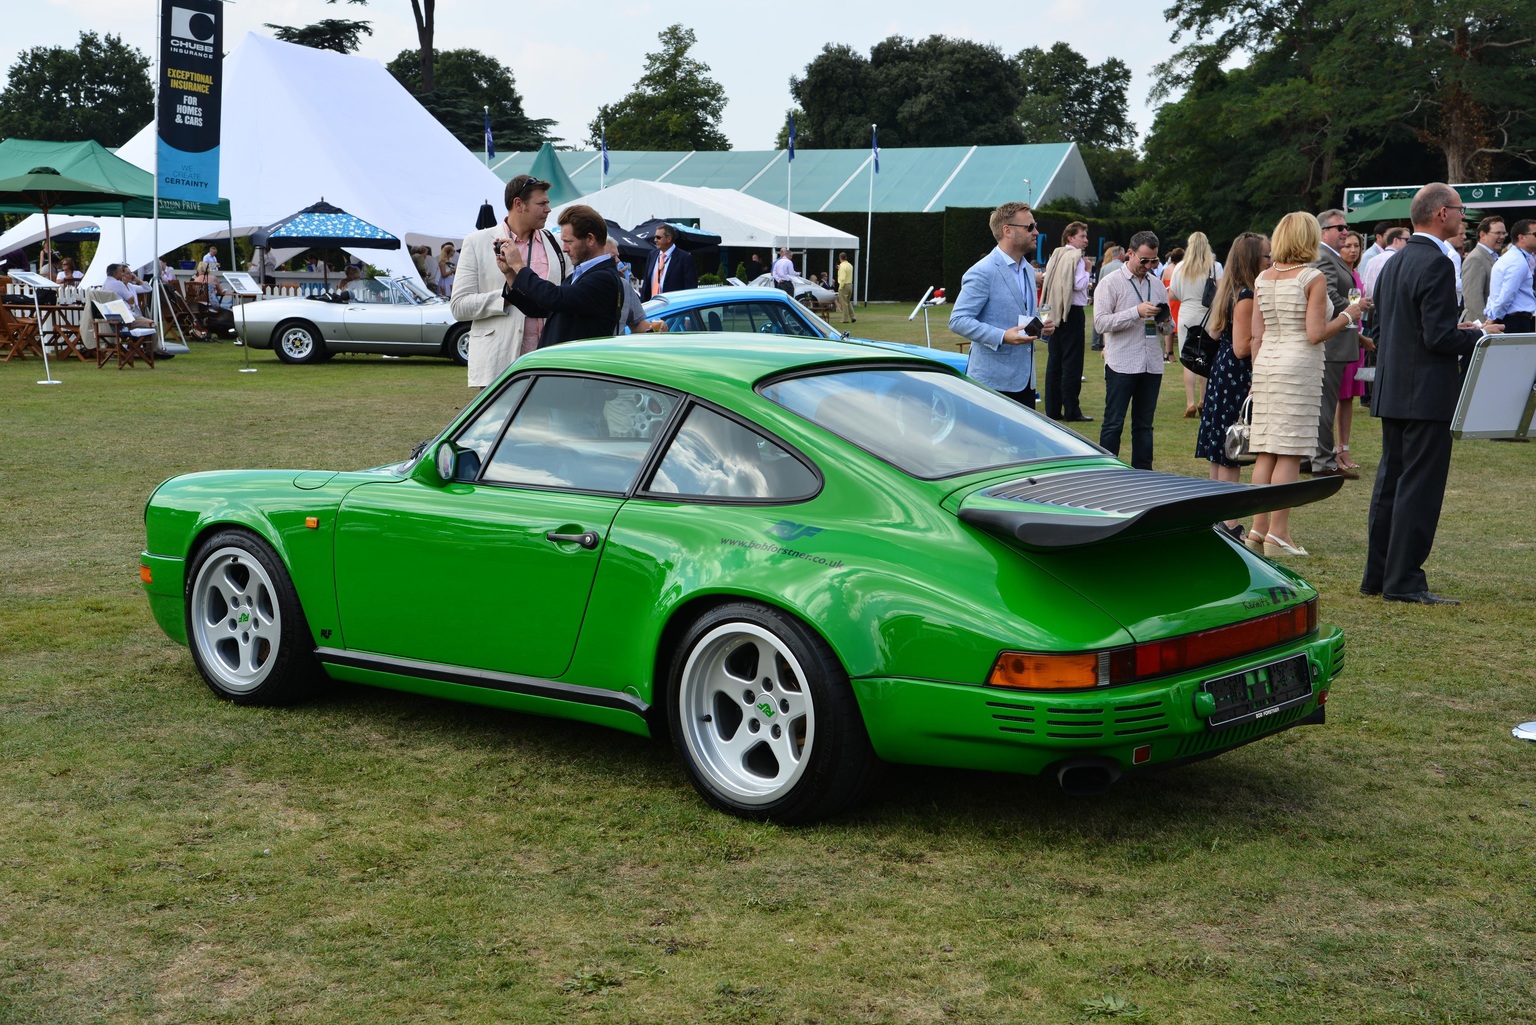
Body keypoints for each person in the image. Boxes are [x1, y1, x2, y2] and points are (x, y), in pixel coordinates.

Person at [1363, 183, 1502, 604]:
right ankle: (1404, 581)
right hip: (1425, 393)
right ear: (1442, 213)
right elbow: (1438, 337)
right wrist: (1479, 337)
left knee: (1391, 482)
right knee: (1419, 487)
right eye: (1460, 210)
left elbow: (1388, 330)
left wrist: (1460, 332)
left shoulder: (1394, 262)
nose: (1465, 217)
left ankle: (1379, 574)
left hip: (1394, 389)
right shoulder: (1437, 264)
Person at [1246, 212, 1362, 558]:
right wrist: (1348, 316)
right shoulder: (1311, 277)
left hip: (1266, 363)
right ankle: (1278, 534)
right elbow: (1315, 334)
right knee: (1290, 450)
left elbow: (1256, 334)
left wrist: (1257, 374)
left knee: (1266, 449)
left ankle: (1257, 529)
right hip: (1297, 366)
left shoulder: (1263, 277)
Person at [451, 173, 570, 388]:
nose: (548, 209)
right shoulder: (477, 242)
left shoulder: (557, 244)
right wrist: (508, 296)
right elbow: (459, 306)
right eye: (541, 203)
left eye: (548, 203)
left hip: (548, 359)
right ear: (519, 204)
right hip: (499, 362)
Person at [1196, 232, 1269, 538]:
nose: (1271, 260)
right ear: (1253, 260)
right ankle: (1230, 522)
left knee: (1220, 447)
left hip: (1221, 371)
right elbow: (1242, 347)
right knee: (1230, 447)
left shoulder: (1230, 290)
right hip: (1235, 374)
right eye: (1267, 256)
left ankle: (1217, 514)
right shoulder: (1246, 296)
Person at [949, 201, 1054, 409]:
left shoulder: (1026, 270)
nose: (1036, 232)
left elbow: (1023, 316)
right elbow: (958, 320)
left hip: (1025, 382)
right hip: (992, 385)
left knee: (1022, 443)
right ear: (1008, 230)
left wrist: (1041, 330)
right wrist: (1002, 336)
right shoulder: (983, 271)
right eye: (1030, 227)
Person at [1093, 230, 1174, 468]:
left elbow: (1169, 328)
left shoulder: (1157, 285)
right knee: (1113, 423)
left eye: (1154, 260)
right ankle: (1107, 474)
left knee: (1144, 425)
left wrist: (1164, 322)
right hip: (1122, 364)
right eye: (1144, 260)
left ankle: (1144, 474)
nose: (1148, 265)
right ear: (1130, 253)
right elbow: (1100, 323)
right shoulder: (1110, 283)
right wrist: (1135, 312)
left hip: (1151, 364)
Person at [497, 204, 624, 347]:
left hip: (573, 366)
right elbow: (538, 307)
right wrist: (510, 274)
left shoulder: (603, 278)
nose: (564, 249)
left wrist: (519, 266)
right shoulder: (582, 274)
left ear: (590, 239)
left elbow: (553, 297)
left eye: (568, 242)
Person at [1306, 209, 1371, 480]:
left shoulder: (1330, 256)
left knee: (1323, 402)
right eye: (1339, 227)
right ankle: (1322, 460)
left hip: (1337, 338)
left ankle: (1313, 456)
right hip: (1330, 340)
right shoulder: (1323, 256)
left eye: (1346, 226)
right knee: (1325, 404)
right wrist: (1355, 308)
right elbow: (1328, 295)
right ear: (1323, 232)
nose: (1345, 231)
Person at [1038, 220, 1091, 421]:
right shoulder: (1076, 257)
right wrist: (1087, 270)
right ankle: (1071, 410)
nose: (1086, 240)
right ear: (1071, 238)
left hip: (1054, 312)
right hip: (1072, 312)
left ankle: (1052, 409)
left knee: (1055, 361)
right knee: (1072, 363)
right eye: (1082, 236)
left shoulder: (1056, 254)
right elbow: (1078, 285)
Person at [1334, 230, 1376, 471]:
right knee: (1334, 397)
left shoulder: (1355, 274)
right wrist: (1361, 337)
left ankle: (1344, 447)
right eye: (1348, 245)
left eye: (1356, 246)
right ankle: (1330, 450)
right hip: (1342, 339)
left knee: (1348, 397)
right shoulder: (1336, 274)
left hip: (1354, 337)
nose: (1353, 250)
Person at [1170, 231, 1221, 418]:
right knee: (1205, 357)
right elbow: (1221, 292)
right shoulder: (1215, 267)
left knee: (1188, 357)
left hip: (1187, 313)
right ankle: (1203, 399)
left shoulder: (1180, 267)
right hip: (1208, 314)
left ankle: (1190, 402)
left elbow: (1173, 294)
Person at [1483, 218, 1536, 334]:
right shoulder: (1517, 261)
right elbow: (1507, 294)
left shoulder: (1514, 258)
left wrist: (1492, 315)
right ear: (1521, 237)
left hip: (1511, 319)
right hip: (1514, 321)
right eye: (1535, 234)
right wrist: (1494, 318)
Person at [605, 238, 657, 334]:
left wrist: (655, 329)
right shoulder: (581, 284)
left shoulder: (624, 286)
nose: (618, 261)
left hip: (617, 348)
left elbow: (637, 324)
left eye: (617, 256)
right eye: (613, 257)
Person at [1460, 216, 1505, 322]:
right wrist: (1484, 330)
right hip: (1479, 326)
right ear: (1482, 235)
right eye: (1498, 233)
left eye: (1504, 233)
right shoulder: (1476, 258)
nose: (1502, 237)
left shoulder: (1491, 256)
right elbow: (1473, 300)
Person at [641, 225, 697, 301]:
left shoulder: (685, 258)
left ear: (668, 239)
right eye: (655, 237)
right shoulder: (652, 255)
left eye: (658, 237)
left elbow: (690, 289)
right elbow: (646, 286)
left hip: (673, 308)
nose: (655, 240)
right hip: (652, 306)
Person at [1091, 245, 1124, 351]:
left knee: (1100, 318)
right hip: (1118, 296)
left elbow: (1100, 282)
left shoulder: (1104, 267)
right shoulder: (1123, 267)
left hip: (1104, 296)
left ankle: (1096, 342)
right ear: (1121, 255)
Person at [1160, 247, 1185, 362]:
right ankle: (1181, 353)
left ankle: (1168, 352)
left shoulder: (1167, 269)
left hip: (1169, 299)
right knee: (1179, 328)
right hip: (1178, 299)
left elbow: (1161, 283)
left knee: (1169, 327)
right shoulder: (1181, 269)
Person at [835, 251, 856, 323]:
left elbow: (843, 278)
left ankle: (845, 319)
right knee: (848, 301)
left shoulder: (842, 266)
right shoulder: (850, 265)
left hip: (844, 285)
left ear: (840, 258)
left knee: (843, 303)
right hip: (850, 284)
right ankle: (852, 316)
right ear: (846, 258)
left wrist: (840, 287)